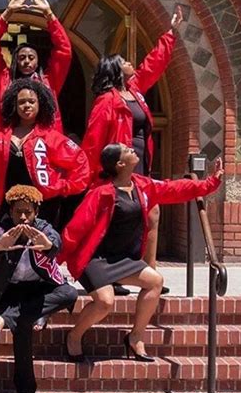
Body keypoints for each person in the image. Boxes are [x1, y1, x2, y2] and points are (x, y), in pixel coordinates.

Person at [59, 143, 224, 362]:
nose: (133, 149)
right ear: (120, 164)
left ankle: (135, 337)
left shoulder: (142, 186)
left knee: (155, 282)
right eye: (127, 151)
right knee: (105, 302)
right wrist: (55, 259)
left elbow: (174, 189)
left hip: (124, 259)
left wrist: (211, 183)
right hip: (95, 259)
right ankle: (74, 336)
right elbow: (76, 228)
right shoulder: (101, 193)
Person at [81, 6, 184, 294]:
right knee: (121, 221)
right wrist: (94, 177)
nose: (130, 62)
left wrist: (171, 33)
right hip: (117, 168)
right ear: (115, 69)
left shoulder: (135, 90)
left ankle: (150, 274)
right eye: (124, 60)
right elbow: (92, 141)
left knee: (151, 214)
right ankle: (112, 273)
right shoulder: (106, 101)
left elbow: (154, 64)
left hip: (140, 163)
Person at [0, 185, 78, 393]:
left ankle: (7, 317)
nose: (23, 217)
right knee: (23, 325)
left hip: (38, 289)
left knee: (70, 293)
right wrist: (0, 245)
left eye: (28, 212)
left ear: (36, 212)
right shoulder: (6, 228)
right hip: (10, 291)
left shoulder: (42, 227)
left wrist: (46, 244)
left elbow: (55, 241)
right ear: (11, 212)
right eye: (18, 212)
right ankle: (24, 390)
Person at [0, 77, 90, 228]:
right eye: (21, 102)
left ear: (40, 104)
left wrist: (61, 187)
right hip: (8, 209)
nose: (27, 105)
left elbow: (80, 163)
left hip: (44, 209)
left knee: (41, 250)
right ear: (14, 105)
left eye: (32, 101)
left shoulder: (51, 138)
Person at [0, 0, 72, 147]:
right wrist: (7, 14)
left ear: (38, 62)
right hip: (6, 144)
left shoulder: (48, 81)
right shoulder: (4, 79)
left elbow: (64, 50)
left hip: (42, 145)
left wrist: (49, 15)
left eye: (31, 57)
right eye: (21, 57)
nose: (26, 61)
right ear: (15, 60)